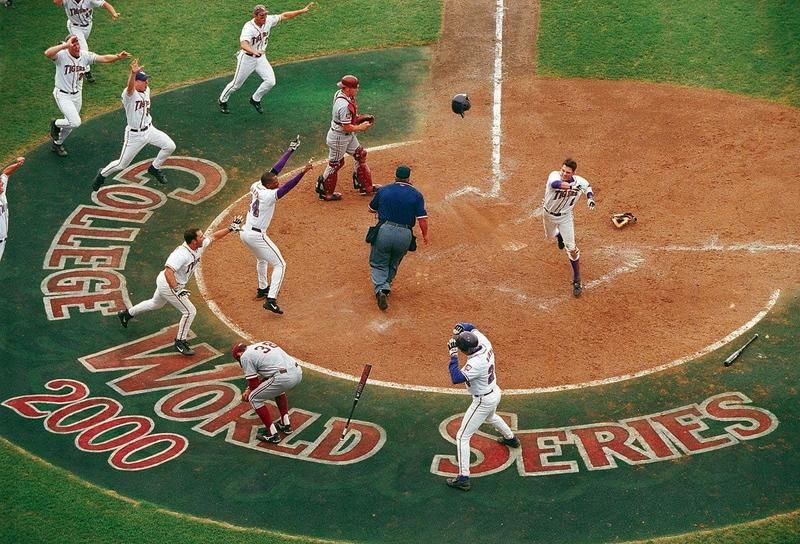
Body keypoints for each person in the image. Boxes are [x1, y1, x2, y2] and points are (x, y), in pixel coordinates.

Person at [117, 219, 242, 356]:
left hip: (168, 282)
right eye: (200, 236)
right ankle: (180, 342)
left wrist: (230, 228)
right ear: (193, 241)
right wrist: (177, 289)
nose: (203, 237)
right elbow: (168, 271)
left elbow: (214, 237)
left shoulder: (198, 246)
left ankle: (126, 314)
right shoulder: (181, 254)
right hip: (169, 283)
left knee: (155, 304)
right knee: (190, 311)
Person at [239, 136, 312, 314]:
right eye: (274, 183)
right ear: (269, 185)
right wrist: (304, 171)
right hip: (257, 235)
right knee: (281, 265)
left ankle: (262, 289)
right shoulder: (268, 195)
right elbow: (288, 187)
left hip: (245, 233)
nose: (277, 183)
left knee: (262, 259)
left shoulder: (257, 185)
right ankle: (271, 299)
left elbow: (275, 169)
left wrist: (291, 150)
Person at [445, 322, 520, 491]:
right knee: (491, 417)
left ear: (465, 350)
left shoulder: (476, 364)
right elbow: (471, 327)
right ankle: (511, 439)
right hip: (494, 392)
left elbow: (456, 378)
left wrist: (453, 355)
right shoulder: (484, 342)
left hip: (482, 401)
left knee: (462, 437)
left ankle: (463, 478)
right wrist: (460, 327)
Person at [92, 59, 176, 192]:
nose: (147, 82)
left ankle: (154, 168)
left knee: (170, 146)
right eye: (143, 80)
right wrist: (132, 73)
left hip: (150, 130)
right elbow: (130, 88)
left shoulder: (146, 90)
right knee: (121, 164)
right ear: (136, 82)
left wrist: (139, 75)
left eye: (146, 79)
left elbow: (143, 87)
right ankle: (102, 174)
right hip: (134, 135)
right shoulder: (129, 95)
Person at [218, 3, 315, 115]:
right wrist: (254, 51)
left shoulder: (268, 20)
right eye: (261, 16)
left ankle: (255, 99)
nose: (264, 17)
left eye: (265, 14)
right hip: (247, 59)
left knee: (270, 81)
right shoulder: (248, 27)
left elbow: (284, 16)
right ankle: (222, 101)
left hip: (260, 58)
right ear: (255, 16)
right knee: (236, 85)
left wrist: (302, 11)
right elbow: (244, 44)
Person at [45, 35, 129, 157]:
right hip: (63, 94)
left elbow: (104, 58)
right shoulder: (61, 56)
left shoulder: (84, 56)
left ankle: (57, 143)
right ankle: (56, 123)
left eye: (77, 43)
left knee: (69, 125)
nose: (77, 46)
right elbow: (47, 53)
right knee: (75, 122)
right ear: (68, 46)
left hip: (77, 95)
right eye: (73, 44)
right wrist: (65, 45)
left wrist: (117, 57)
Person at [366, 165, 428, 310]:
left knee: (379, 262)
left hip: (385, 231)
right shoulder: (416, 195)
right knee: (394, 261)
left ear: (395, 176)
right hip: (405, 235)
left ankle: (381, 288)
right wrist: (425, 235)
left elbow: (370, 209)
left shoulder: (384, 190)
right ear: (408, 178)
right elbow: (422, 219)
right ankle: (385, 286)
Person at [315, 74, 377, 201]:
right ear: (347, 89)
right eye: (355, 88)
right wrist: (361, 127)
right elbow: (346, 127)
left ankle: (365, 186)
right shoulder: (343, 106)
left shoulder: (342, 93)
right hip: (339, 137)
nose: (357, 90)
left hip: (346, 136)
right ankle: (325, 191)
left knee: (360, 154)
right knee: (336, 163)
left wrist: (359, 118)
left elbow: (350, 121)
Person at [541, 158, 596, 297]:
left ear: (573, 173)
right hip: (548, 215)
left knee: (571, 249)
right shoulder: (554, 175)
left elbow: (587, 186)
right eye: (563, 170)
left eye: (568, 172)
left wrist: (590, 198)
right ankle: (559, 236)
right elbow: (555, 184)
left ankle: (577, 279)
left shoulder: (579, 181)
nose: (564, 174)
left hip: (565, 217)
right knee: (550, 235)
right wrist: (571, 188)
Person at [232, 340, 302, 445]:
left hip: (283, 378)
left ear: (239, 355)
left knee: (253, 398)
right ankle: (285, 423)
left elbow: (254, 384)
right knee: (277, 388)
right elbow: (269, 372)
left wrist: (247, 391)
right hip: (298, 372)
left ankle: (272, 434)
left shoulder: (245, 357)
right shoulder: (263, 344)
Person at [54, 0, 121, 83]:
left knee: (79, 45)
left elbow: (104, 4)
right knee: (84, 48)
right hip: (74, 26)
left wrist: (113, 13)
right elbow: (56, 2)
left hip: (88, 26)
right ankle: (87, 72)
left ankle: (64, 47)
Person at [0, 156, 26, 263]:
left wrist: (17, 165)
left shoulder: (1, 192)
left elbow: (6, 173)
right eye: (0, 185)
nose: (1, 185)